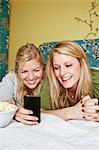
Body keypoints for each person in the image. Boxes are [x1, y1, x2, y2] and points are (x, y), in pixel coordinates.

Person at [44, 41, 99, 122]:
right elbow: (39, 113)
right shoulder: (50, 82)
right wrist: (70, 112)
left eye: (68, 65)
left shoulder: (96, 78)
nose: (62, 73)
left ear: (82, 64)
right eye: (56, 68)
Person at [0, 43, 51, 125]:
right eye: (24, 71)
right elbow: (2, 105)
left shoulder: (49, 80)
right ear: (17, 72)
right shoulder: (11, 79)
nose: (31, 77)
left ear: (43, 68)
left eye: (36, 70)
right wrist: (14, 112)